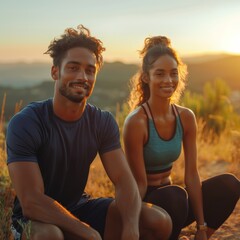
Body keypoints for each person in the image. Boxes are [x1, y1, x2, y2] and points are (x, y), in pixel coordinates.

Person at [6, 25, 172, 240]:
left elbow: (124, 180)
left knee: (158, 221)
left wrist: (131, 228)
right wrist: (87, 231)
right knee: (50, 235)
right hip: (34, 219)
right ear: (55, 71)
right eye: (73, 68)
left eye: (90, 70)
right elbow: (31, 201)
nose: (82, 76)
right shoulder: (27, 122)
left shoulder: (101, 121)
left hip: (79, 206)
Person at [123, 36, 240, 240]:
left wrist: (202, 227)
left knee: (230, 184)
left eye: (173, 73)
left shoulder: (185, 117)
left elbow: (192, 176)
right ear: (146, 77)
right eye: (160, 74)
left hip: (175, 203)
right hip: (146, 206)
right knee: (176, 195)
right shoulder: (137, 122)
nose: (168, 80)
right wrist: (131, 225)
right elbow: (138, 184)